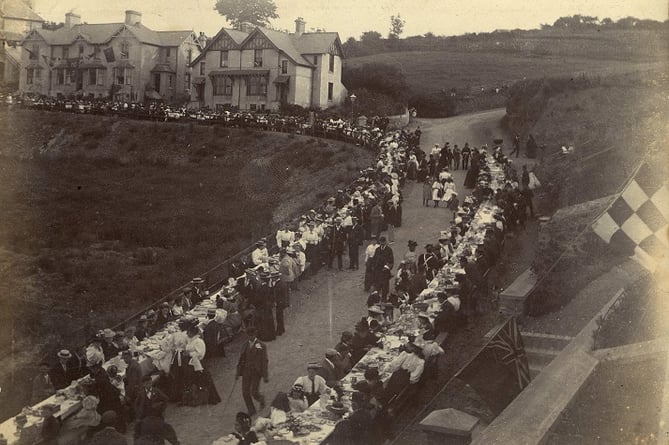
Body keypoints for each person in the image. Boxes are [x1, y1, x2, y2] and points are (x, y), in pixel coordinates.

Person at [185, 325, 221, 405]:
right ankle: (197, 399)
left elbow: (200, 353)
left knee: (206, 380)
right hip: (192, 363)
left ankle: (213, 398)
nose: (187, 334)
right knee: (195, 381)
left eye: (188, 332)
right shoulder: (191, 340)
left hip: (199, 363)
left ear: (192, 333)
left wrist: (189, 354)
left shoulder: (198, 341)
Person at [236, 327, 269, 416]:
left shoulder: (261, 346)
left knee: (254, 392)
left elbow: (264, 361)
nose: (251, 337)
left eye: (252, 335)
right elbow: (241, 360)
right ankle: (251, 410)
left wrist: (265, 375)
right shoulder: (244, 345)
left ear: (255, 334)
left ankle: (261, 399)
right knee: (245, 392)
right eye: (249, 335)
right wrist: (237, 373)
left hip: (256, 372)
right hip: (246, 371)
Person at [371, 236, 394, 300]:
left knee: (385, 285)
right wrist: (373, 266)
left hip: (385, 271)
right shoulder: (377, 249)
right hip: (378, 270)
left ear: (385, 242)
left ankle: (384, 298)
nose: (382, 243)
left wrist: (387, 267)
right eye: (381, 242)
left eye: (383, 242)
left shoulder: (389, 250)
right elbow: (374, 259)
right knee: (377, 285)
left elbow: (391, 260)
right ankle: (377, 299)